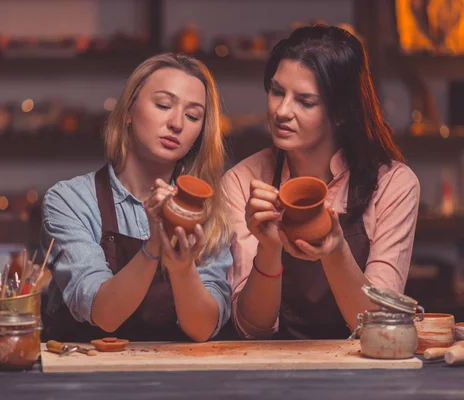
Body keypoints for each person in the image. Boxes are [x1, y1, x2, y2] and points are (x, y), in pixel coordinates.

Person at [223, 25, 420, 340]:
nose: (282, 111)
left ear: (341, 111)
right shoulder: (244, 180)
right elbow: (251, 328)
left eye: (305, 101)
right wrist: (269, 248)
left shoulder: (392, 184)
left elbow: (382, 327)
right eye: (276, 91)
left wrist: (336, 251)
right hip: (270, 375)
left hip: (362, 372)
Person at [41, 53, 233, 343]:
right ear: (129, 111)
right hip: (87, 376)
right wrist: (155, 245)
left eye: (193, 116)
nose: (177, 123)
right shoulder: (70, 201)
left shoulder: (210, 211)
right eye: (163, 105)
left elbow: (203, 327)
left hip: (180, 379)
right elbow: (104, 315)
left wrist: (182, 269)